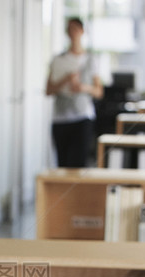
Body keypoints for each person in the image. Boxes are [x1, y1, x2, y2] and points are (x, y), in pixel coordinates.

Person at [46, 17, 103, 168]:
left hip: (82, 117)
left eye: (76, 29)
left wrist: (83, 88)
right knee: (63, 163)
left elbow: (99, 91)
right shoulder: (58, 60)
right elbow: (48, 90)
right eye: (69, 29)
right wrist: (64, 80)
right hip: (61, 118)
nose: (73, 33)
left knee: (78, 163)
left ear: (82, 31)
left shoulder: (91, 59)